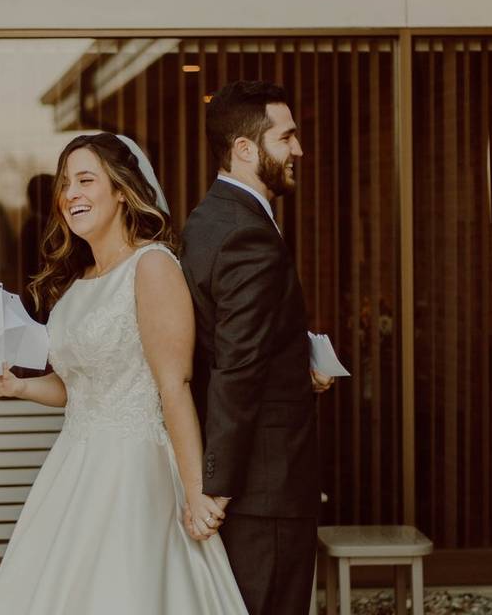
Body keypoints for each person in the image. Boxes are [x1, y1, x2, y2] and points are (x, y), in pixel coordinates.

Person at [0, 132, 247, 614]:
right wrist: (17, 385)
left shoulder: (152, 266)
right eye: (65, 184)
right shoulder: (77, 285)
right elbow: (77, 387)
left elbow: (173, 386)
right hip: (73, 470)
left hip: (133, 472)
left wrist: (196, 492)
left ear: (121, 190)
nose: (71, 194)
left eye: (85, 180)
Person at [179, 80, 333, 615]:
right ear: (245, 149)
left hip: (250, 481)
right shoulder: (248, 234)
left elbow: (230, 342)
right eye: (286, 138)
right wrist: (216, 488)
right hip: (263, 485)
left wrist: (299, 366)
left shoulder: (207, 221)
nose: (299, 150)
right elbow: (235, 365)